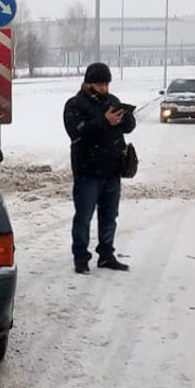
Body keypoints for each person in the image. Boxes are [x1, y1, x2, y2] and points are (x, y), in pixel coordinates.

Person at [61, 62, 136, 274]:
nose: (105, 88)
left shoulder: (112, 101)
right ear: (88, 84)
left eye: (107, 84)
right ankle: (81, 258)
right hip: (87, 172)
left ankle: (106, 255)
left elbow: (129, 127)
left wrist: (125, 117)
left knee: (109, 216)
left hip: (112, 171)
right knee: (84, 217)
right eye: (100, 84)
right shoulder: (75, 105)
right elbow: (76, 132)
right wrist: (104, 121)